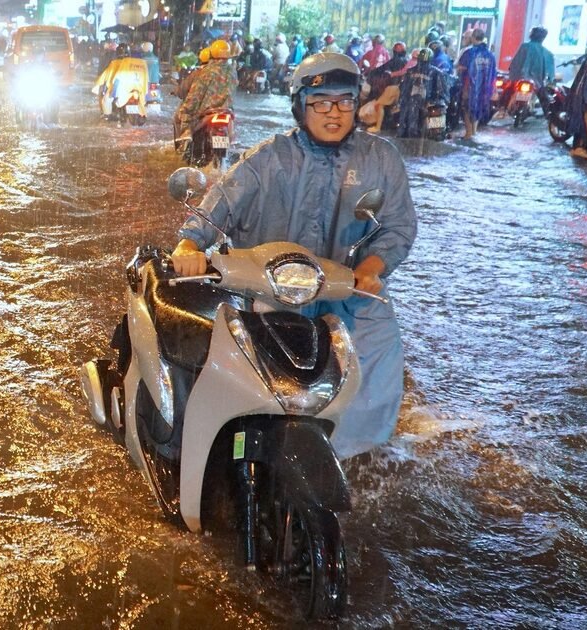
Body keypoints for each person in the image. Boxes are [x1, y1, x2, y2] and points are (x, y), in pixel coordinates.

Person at [171, 52, 417, 458]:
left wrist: (373, 268)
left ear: (358, 104)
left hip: (350, 295)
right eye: (321, 103)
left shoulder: (381, 159)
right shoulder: (268, 159)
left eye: (345, 101)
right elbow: (221, 205)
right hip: (275, 295)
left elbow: (397, 225)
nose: (334, 113)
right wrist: (190, 245)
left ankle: (351, 457)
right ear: (301, 106)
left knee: (376, 369)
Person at [175, 38, 238, 144]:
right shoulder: (232, 71)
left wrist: (186, 110)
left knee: (184, 113)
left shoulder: (205, 72)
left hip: (208, 110)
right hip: (227, 110)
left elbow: (196, 94)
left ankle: (185, 138)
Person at [397, 48, 450, 137]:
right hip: (414, 103)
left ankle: (437, 134)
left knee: (437, 111)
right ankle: (436, 134)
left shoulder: (435, 72)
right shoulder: (412, 71)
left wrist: (434, 102)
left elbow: (441, 92)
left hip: (429, 103)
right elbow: (404, 89)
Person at [455, 28, 497, 139]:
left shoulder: (470, 52)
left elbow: (462, 67)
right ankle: (474, 132)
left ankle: (468, 133)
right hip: (485, 88)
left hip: (470, 86)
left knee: (467, 107)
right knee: (478, 107)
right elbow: (493, 73)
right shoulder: (490, 55)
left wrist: (457, 67)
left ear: (473, 38)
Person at [92, 43, 150, 120]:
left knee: (107, 99)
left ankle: (107, 115)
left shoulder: (114, 62)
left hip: (122, 88)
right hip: (138, 88)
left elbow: (107, 75)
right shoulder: (139, 62)